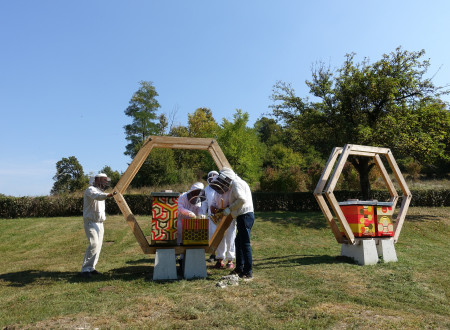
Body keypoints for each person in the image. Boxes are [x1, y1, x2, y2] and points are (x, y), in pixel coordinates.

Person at [211, 167, 254, 279]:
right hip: (243, 215)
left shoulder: (236, 183)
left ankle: (248, 272)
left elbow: (242, 200)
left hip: (245, 215)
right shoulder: (237, 182)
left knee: (244, 244)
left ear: (227, 178)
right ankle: (239, 268)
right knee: (238, 242)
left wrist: (229, 209)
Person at [80, 173, 115, 278]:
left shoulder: (100, 191)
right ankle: (85, 269)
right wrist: (109, 195)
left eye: (106, 180)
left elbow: (100, 196)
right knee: (94, 244)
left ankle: (91, 268)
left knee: (98, 246)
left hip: (100, 223)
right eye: (103, 180)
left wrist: (107, 194)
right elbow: (98, 197)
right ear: (96, 180)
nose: (105, 182)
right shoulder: (90, 190)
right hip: (91, 222)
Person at [204, 170, 219, 262]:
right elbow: (204, 203)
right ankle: (213, 254)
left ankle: (221, 255)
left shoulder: (222, 187)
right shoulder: (206, 189)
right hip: (211, 215)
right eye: (211, 178)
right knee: (211, 234)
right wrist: (202, 213)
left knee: (221, 234)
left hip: (221, 214)